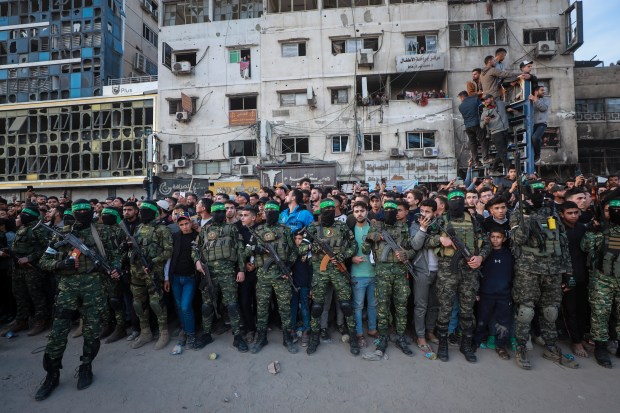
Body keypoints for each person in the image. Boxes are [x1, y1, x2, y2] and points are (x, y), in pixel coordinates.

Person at [35, 200, 122, 400]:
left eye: (86, 210)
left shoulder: (103, 232)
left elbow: (115, 255)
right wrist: (62, 263)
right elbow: (44, 261)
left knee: (92, 332)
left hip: (94, 289)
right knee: (57, 334)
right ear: (72, 213)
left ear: (92, 212)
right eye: (78, 211)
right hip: (67, 290)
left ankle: (86, 367)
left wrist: (115, 268)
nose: (82, 213)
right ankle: (52, 374)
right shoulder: (63, 234)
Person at [510, 181, 578, 370]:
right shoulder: (519, 213)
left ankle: (551, 346)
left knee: (551, 311)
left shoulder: (552, 212)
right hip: (529, 270)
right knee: (525, 311)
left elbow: (562, 243)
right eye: (536, 192)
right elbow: (518, 238)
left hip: (554, 269)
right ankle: (521, 347)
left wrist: (568, 271)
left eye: (542, 191)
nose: (540, 195)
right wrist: (525, 217)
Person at [426, 189, 489, 363]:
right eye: (453, 199)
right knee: (445, 309)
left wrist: (480, 257)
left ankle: (466, 343)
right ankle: (443, 344)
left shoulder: (472, 220)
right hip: (447, 271)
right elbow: (426, 239)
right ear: (448, 202)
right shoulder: (441, 220)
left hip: (470, 271)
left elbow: (486, 241)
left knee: (467, 310)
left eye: (460, 199)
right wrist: (440, 240)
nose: (457, 202)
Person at [303, 199, 359, 355]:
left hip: (339, 271)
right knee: (317, 307)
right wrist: (313, 246)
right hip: (320, 272)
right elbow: (301, 247)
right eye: (325, 209)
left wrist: (342, 256)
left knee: (346, 305)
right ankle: (315, 337)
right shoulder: (313, 227)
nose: (329, 211)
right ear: (320, 212)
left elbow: (353, 246)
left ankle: (353, 338)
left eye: (331, 208)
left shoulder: (341, 226)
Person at [192, 202, 249, 352]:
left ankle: (237, 336)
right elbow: (195, 249)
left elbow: (241, 250)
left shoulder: (232, 229)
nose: (219, 215)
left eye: (221, 212)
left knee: (232, 305)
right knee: (206, 305)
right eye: (216, 212)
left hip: (228, 272)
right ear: (211, 213)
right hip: (209, 273)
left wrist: (241, 270)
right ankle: (206, 334)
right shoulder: (205, 230)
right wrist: (197, 261)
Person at [363, 201, 415, 359]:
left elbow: (412, 248)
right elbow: (365, 248)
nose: (391, 213)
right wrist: (373, 237)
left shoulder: (404, 227)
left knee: (401, 306)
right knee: (382, 306)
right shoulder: (376, 226)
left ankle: (400, 336)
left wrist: (406, 254)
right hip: (382, 273)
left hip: (400, 272)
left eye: (394, 210)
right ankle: (383, 336)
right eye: (388, 210)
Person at [247, 201, 299, 354]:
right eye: (266, 211)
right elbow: (246, 250)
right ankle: (261, 337)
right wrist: (256, 249)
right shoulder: (258, 230)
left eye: (272, 211)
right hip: (263, 276)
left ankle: (287, 338)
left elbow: (294, 251)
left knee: (285, 308)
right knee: (262, 308)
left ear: (278, 213)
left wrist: (288, 266)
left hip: (282, 276)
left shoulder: (285, 230)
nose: (269, 213)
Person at [581, 190, 620, 368]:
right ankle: (601, 347)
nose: (612, 213)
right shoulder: (599, 229)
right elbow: (586, 247)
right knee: (600, 314)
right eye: (609, 210)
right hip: (603, 278)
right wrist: (593, 229)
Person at [128, 200, 173, 351]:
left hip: (153, 272)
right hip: (137, 271)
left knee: (156, 303)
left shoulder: (162, 229)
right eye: (142, 210)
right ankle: (145, 332)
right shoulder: (139, 227)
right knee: (138, 304)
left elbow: (168, 251)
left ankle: (163, 332)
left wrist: (154, 261)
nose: (142, 213)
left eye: (146, 211)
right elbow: (134, 246)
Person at [0, 204, 49, 337]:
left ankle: (41, 320)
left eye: (25, 214)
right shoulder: (23, 227)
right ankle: (21, 320)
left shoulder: (39, 229)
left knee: (36, 295)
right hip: (18, 268)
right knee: (19, 294)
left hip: (32, 269)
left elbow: (48, 248)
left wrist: (29, 258)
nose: (21, 216)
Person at [473, 228, 514, 360]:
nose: (495, 239)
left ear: (504, 239)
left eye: (499, 237)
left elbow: (513, 275)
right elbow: (477, 275)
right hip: (486, 293)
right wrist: (477, 291)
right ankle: (475, 342)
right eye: (493, 237)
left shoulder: (509, 255)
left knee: (503, 322)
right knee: (482, 320)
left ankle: (501, 346)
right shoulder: (484, 255)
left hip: (504, 295)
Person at [558, 201, 590, 359]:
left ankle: (582, 336)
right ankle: (575, 341)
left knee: (582, 309)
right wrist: (565, 277)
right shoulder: (558, 230)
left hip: (582, 274)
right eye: (569, 213)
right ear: (562, 214)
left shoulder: (582, 228)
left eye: (576, 213)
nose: (573, 216)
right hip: (567, 276)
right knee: (569, 310)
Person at [409, 199, 440, 357]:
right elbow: (415, 245)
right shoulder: (416, 224)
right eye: (422, 211)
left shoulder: (440, 224)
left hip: (439, 271)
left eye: (428, 212)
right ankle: (420, 336)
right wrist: (423, 228)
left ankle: (429, 331)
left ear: (435, 212)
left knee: (434, 305)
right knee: (421, 305)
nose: (424, 215)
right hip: (422, 271)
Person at [169, 213, 199, 354]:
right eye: (181, 225)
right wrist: (166, 278)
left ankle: (191, 334)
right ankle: (185, 332)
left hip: (190, 278)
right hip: (175, 277)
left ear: (190, 223)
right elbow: (170, 258)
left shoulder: (197, 236)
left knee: (186, 306)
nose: (184, 227)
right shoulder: (175, 237)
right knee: (179, 307)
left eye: (186, 223)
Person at [350, 201, 377, 349]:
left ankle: (372, 329)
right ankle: (359, 333)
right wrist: (351, 258)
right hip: (357, 274)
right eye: (356, 211)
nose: (359, 213)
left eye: (362, 210)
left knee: (373, 305)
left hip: (373, 273)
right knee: (358, 306)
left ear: (367, 211)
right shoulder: (349, 229)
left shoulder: (373, 228)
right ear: (353, 213)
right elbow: (343, 249)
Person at [290, 230, 312, 346]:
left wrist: (310, 287)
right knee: (293, 308)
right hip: (293, 285)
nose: (298, 241)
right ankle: (292, 329)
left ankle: (306, 330)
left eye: (300, 239)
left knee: (305, 307)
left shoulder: (307, 254)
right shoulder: (291, 252)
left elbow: (310, 270)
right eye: (296, 239)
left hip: (304, 284)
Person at [480, 94, 511, 174]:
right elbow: (481, 125)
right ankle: (511, 169)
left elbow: (508, 104)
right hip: (496, 133)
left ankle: (493, 169)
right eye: (484, 100)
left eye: (486, 99)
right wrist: (485, 122)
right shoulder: (485, 111)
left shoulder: (500, 103)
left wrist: (508, 108)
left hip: (505, 130)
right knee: (502, 152)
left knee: (502, 151)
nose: (485, 101)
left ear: (492, 98)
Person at [458, 91, 487, 167]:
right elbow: (482, 106)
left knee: (473, 143)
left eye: (460, 98)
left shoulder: (460, 107)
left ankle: (476, 161)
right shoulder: (475, 99)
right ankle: (485, 158)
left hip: (468, 126)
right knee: (482, 140)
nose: (460, 100)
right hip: (477, 124)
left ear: (462, 97)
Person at [529, 85, 550, 164]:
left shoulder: (545, 100)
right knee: (529, 140)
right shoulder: (530, 100)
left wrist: (535, 100)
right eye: (542, 90)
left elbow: (543, 108)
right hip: (531, 125)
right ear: (536, 91)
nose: (544, 92)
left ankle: (537, 156)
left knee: (535, 138)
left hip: (541, 123)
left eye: (544, 90)